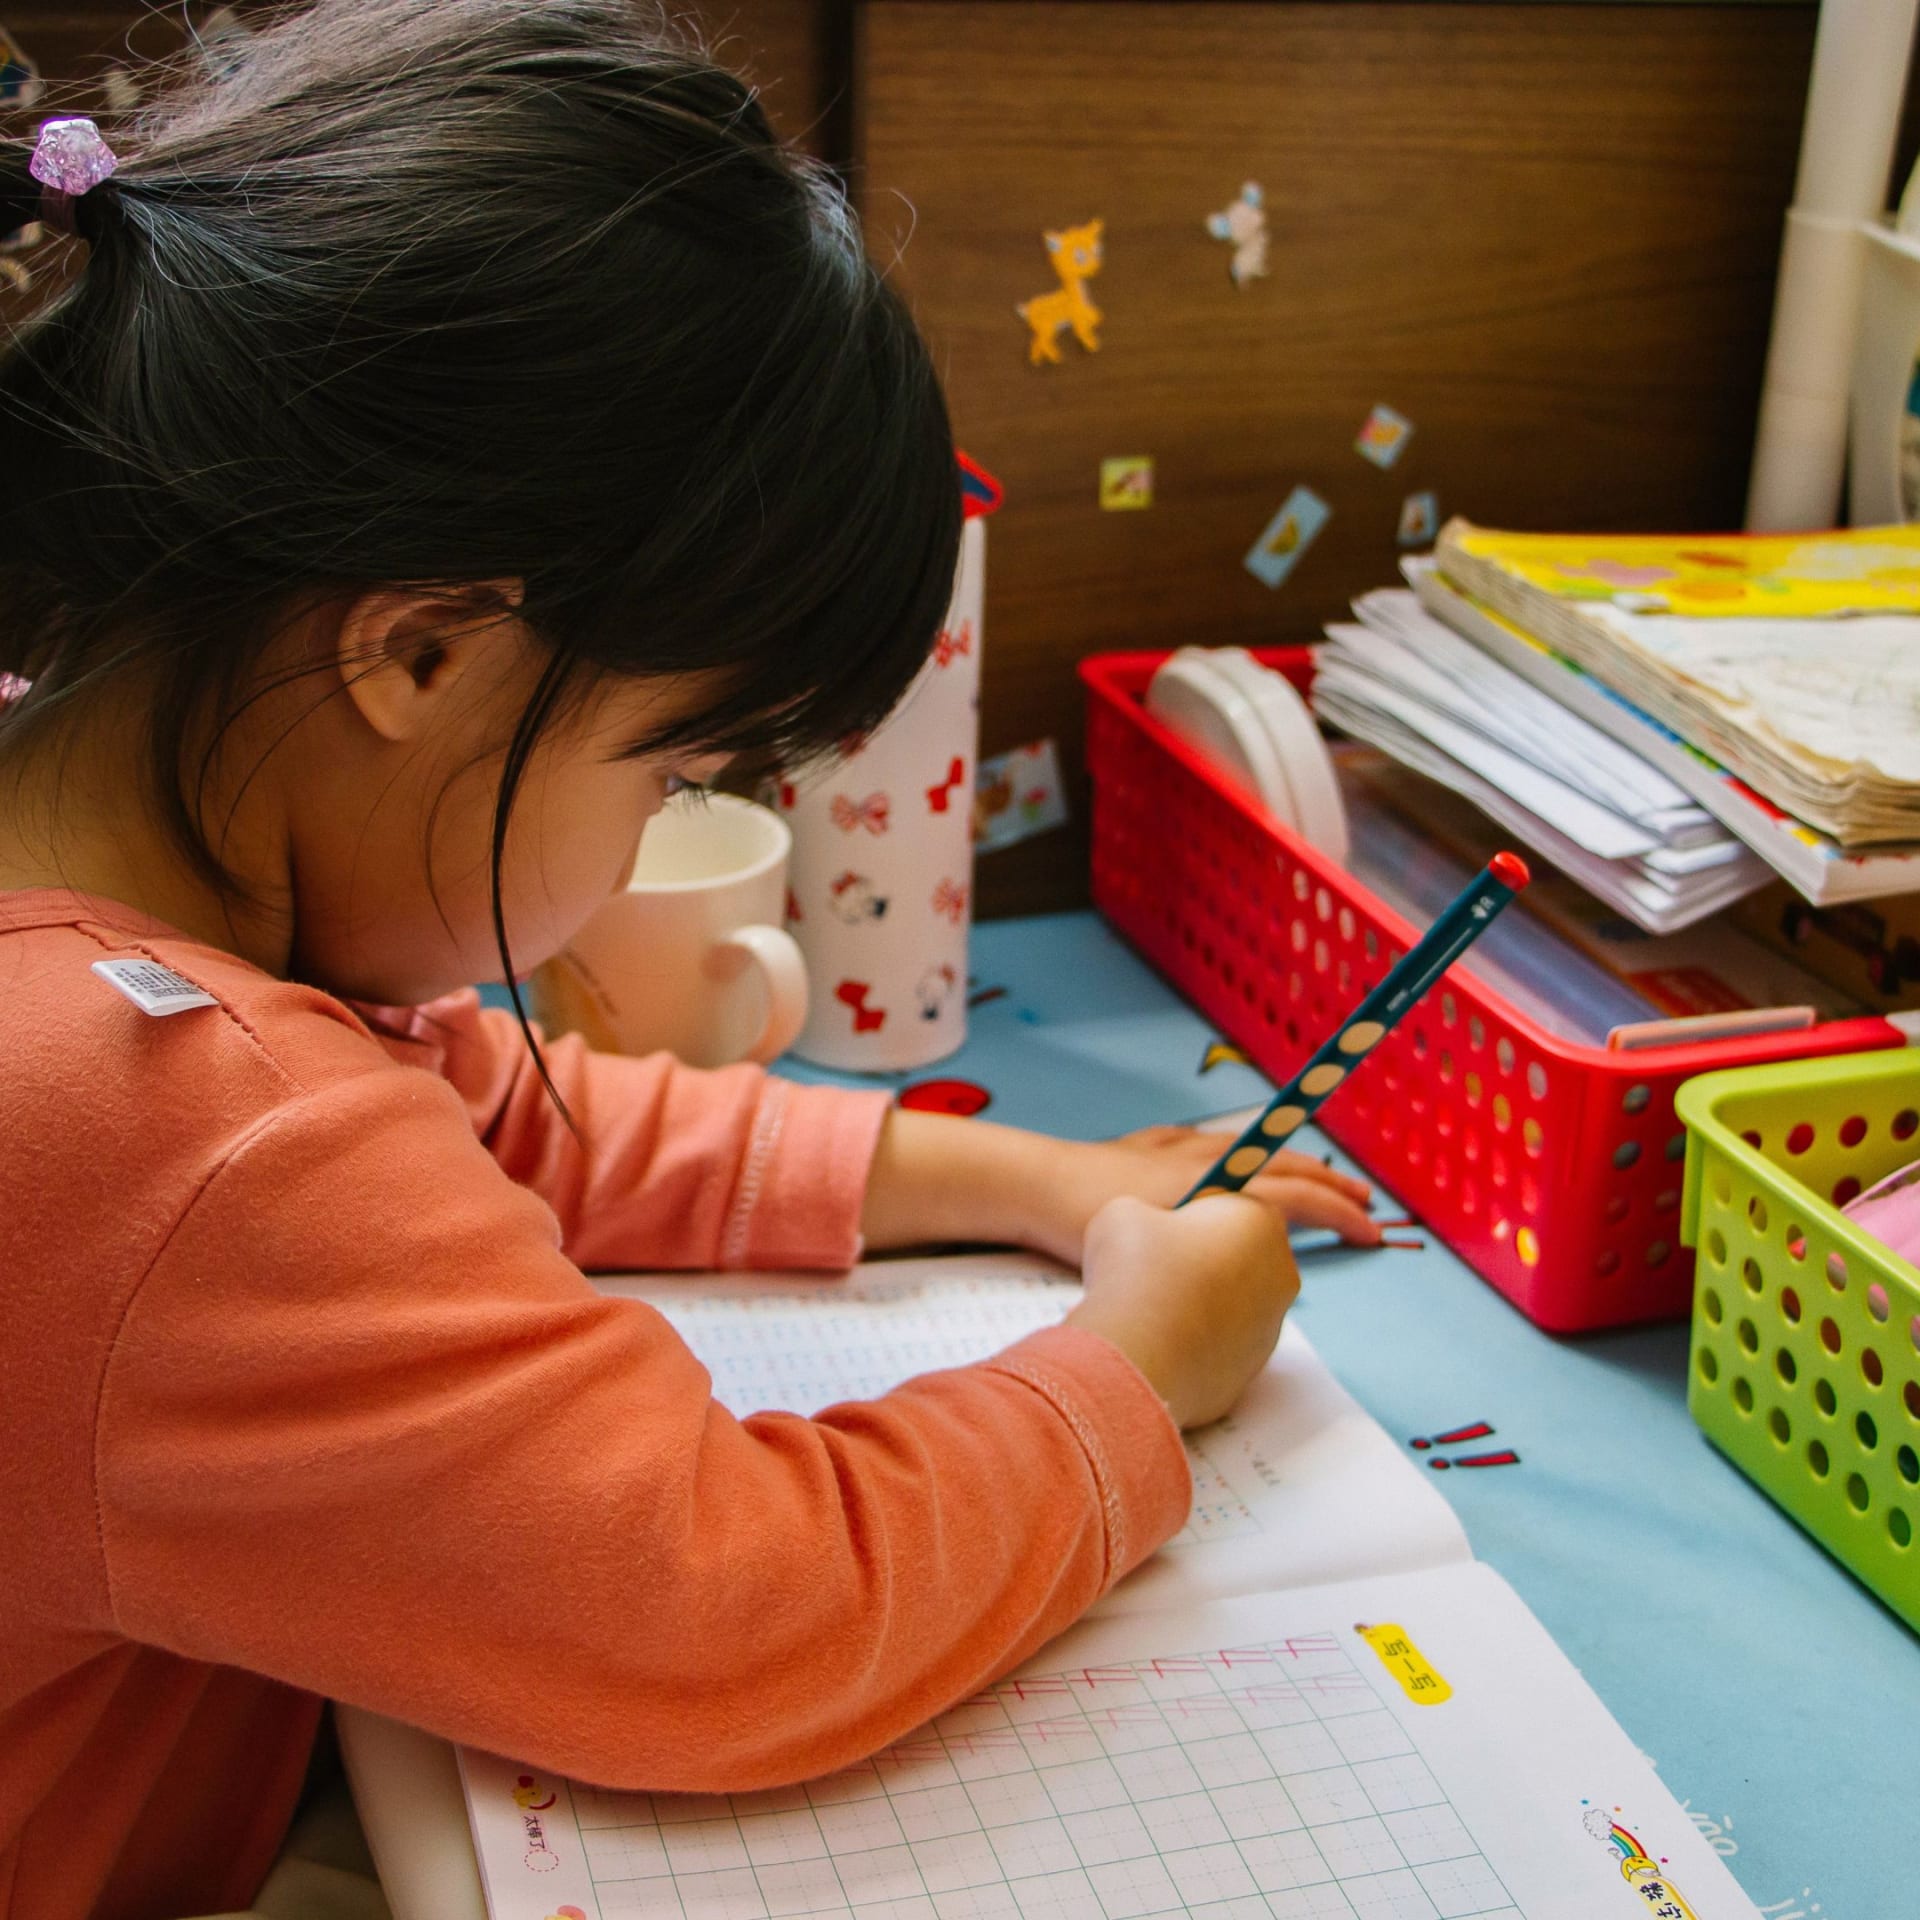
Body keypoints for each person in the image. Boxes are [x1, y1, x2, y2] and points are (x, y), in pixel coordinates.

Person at [0, 5, 1378, 1915]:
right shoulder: (172, 1121)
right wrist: (1142, 1367)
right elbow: (724, 1608)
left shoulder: (90, 858)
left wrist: (1018, 1179)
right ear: (413, 656)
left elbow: (467, 1118)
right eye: (677, 770)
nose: (661, 836)